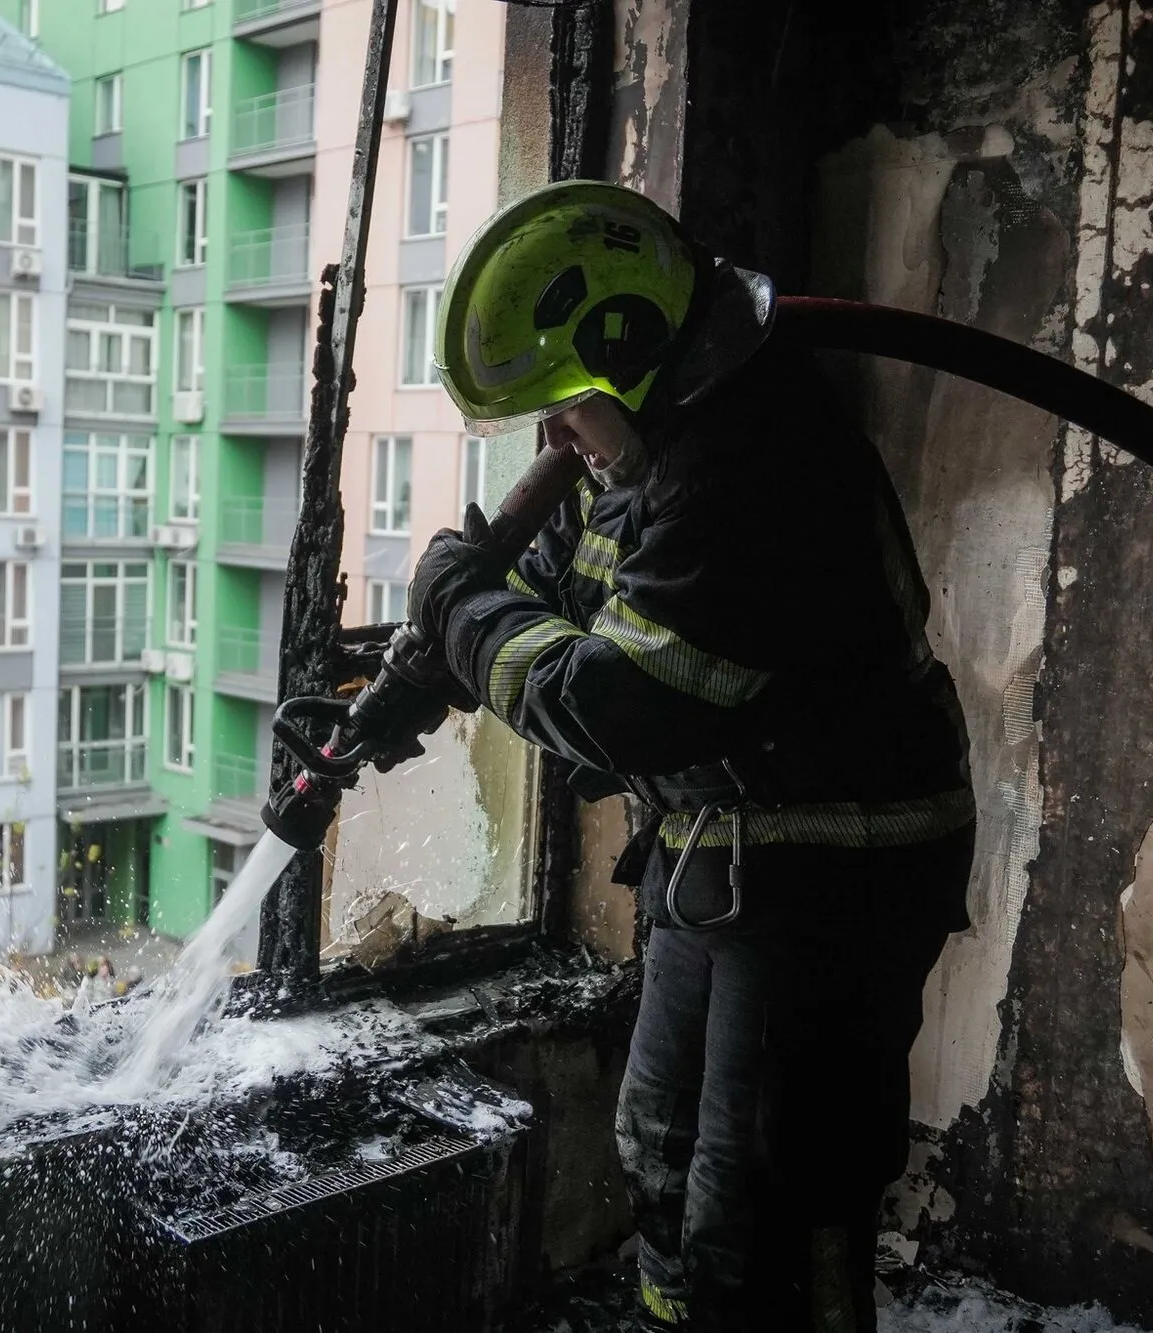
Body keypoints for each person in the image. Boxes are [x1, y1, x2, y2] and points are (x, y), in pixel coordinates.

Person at [409, 180, 976, 1331]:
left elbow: (614, 705)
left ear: (628, 355)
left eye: (565, 407)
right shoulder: (651, 460)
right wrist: (442, 649)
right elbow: (560, 595)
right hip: (722, 855)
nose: (552, 441)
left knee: (762, 1181)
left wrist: (460, 617)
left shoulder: (752, 468)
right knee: (659, 1142)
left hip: (831, 873)